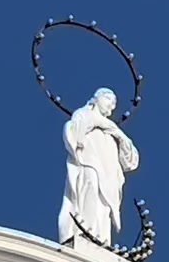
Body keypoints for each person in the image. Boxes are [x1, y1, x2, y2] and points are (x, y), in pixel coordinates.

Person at [58, 89, 139, 248]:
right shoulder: (83, 115)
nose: (111, 106)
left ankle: (101, 239)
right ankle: (85, 230)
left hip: (108, 172)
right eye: (108, 99)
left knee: (104, 204)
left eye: (114, 104)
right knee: (91, 188)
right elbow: (74, 131)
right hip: (89, 162)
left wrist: (120, 135)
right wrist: (97, 122)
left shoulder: (111, 129)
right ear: (97, 98)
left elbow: (130, 161)